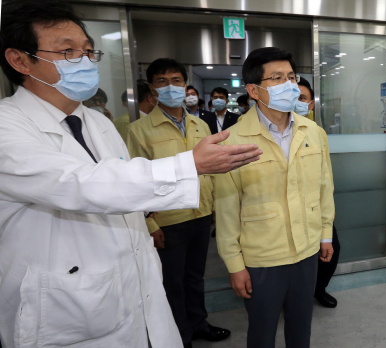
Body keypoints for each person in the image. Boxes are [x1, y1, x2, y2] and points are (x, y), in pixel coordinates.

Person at [0, 1, 262, 347]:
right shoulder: (8, 126)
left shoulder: (96, 122)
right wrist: (189, 165)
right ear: (20, 60)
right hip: (64, 303)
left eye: (89, 52)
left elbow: (125, 187)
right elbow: (78, 184)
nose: (84, 60)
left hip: (133, 285)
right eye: (68, 52)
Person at [213, 47, 335, 348]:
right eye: (277, 78)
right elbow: (227, 208)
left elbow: (324, 188)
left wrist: (325, 234)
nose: (290, 85)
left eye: (291, 77)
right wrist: (234, 263)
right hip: (262, 258)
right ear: (254, 90)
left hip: (306, 250)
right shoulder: (234, 140)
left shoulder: (313, 132)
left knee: (300, 328)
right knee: (262, 331)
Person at [125, 58, 231, 347]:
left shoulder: (201, 124)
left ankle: (198, 323)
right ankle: (179, 335)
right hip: (168, 221)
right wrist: (149, 222)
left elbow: (210, 169)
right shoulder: (139, 130)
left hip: (200, 213)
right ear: (152, 88)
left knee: (196, 277)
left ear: (185, 85)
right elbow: (136, 182)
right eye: (162, 81)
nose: (170, 86)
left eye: (176, 80)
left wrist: (213, 210)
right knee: (172, 283)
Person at [294, 78, 340, 307]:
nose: (297, 102)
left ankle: (318, 289)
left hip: (316, 206)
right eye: (294, 97)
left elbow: (326, 177)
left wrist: (328, 212)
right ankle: (292, 298)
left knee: (331, 249)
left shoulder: (317, 132)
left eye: (302, 98)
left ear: (311, 104)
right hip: (289, 207)